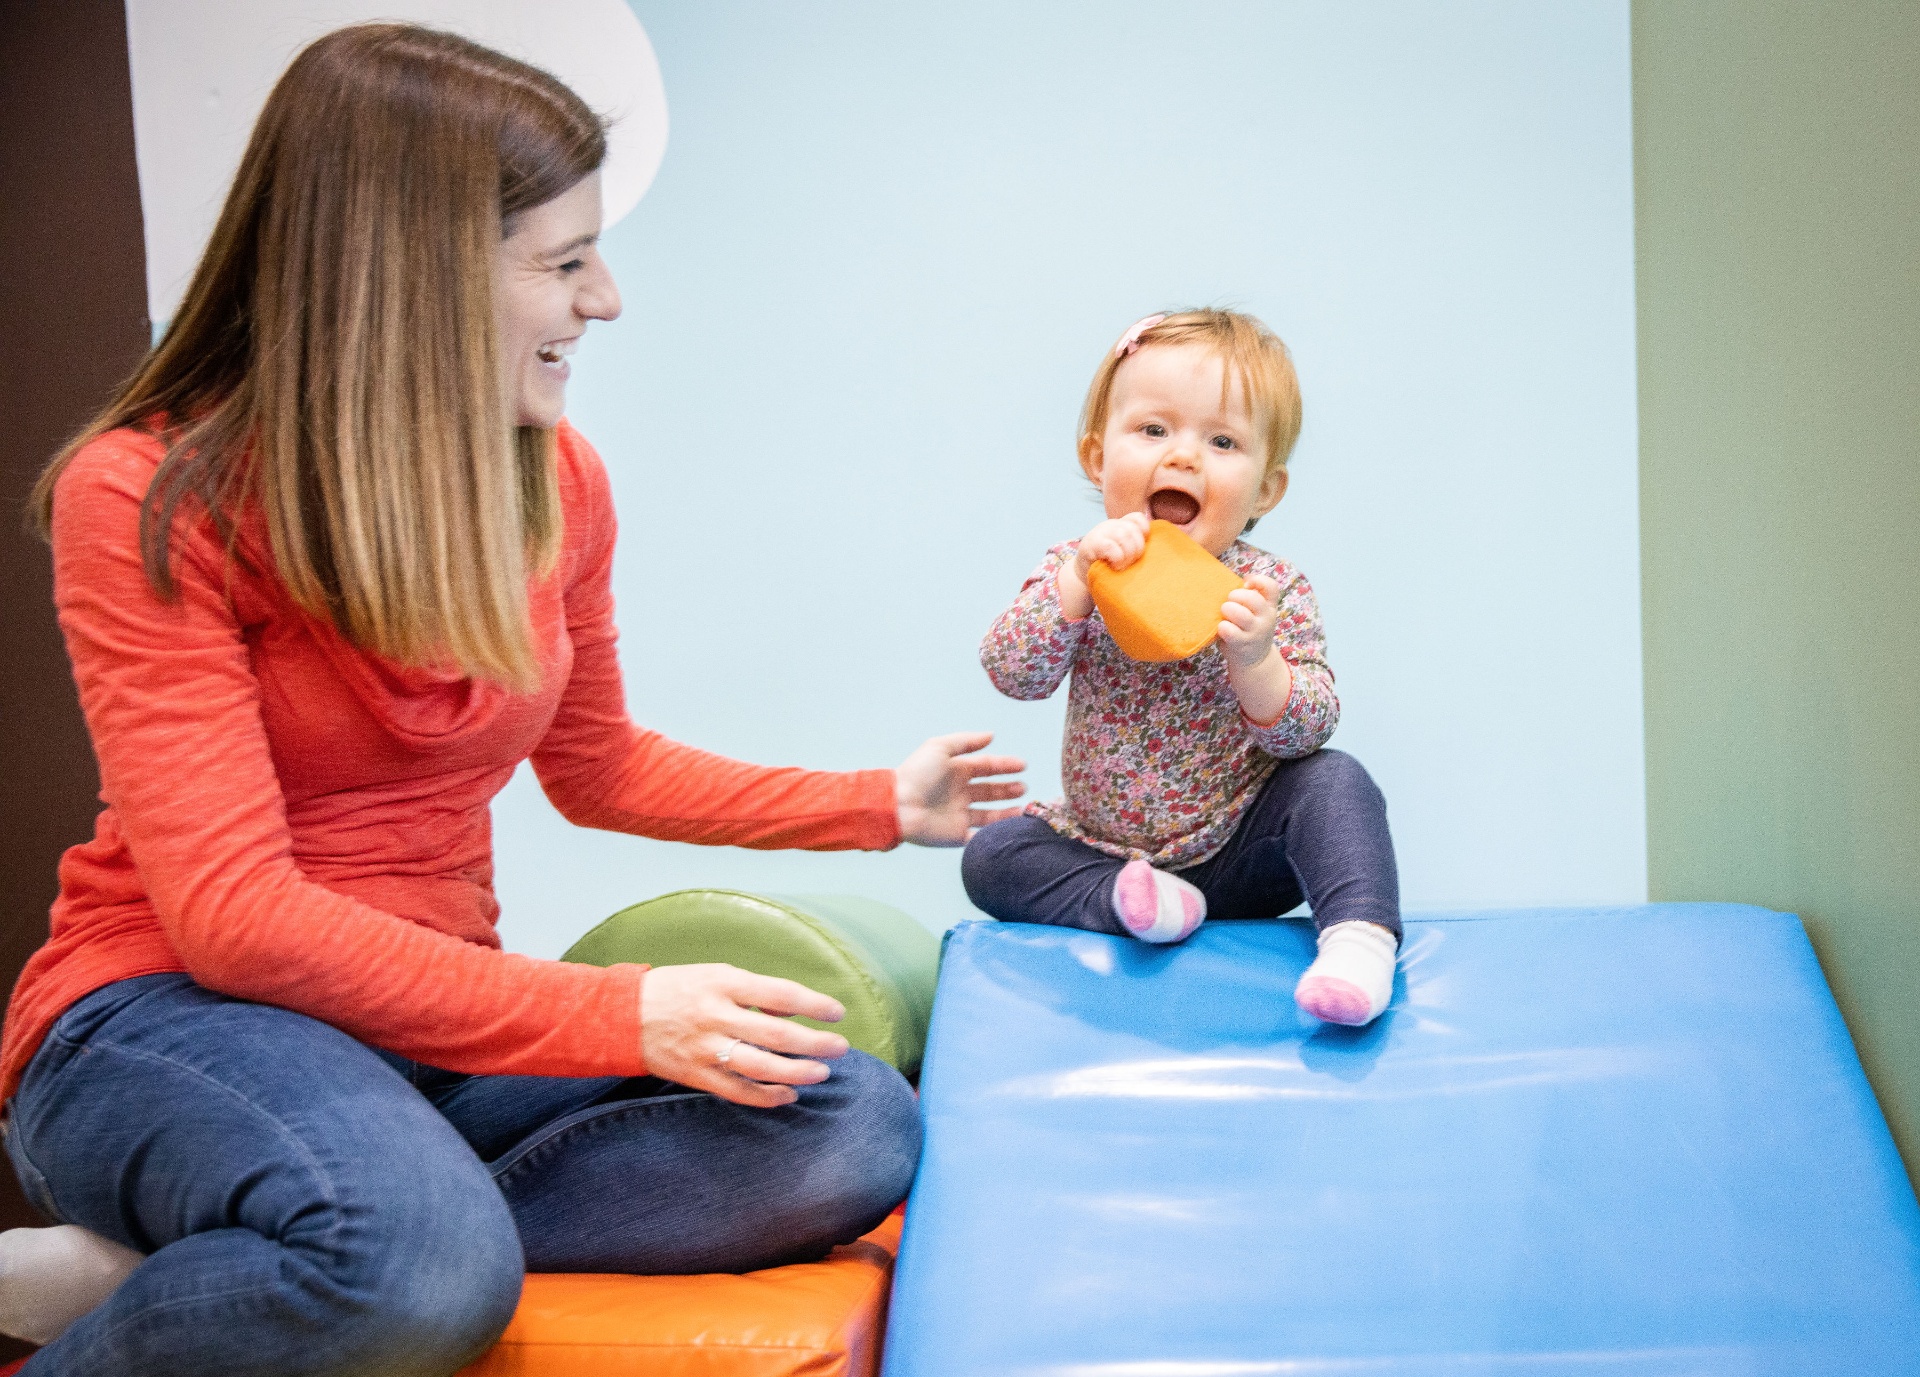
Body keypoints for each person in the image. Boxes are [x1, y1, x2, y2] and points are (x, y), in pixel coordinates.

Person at [0, 24, 1024, 1376]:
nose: (605, 299)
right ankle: (346, 1247)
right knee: (422, 1271)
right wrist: (619, 1011)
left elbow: (594, 765)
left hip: (424, 1032)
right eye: (562, 261)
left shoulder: (559, 480)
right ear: (410, 282)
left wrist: (877, 804)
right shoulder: (143, 493)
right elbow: (233, 918)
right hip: (163, 1014)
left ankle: (264, 1261)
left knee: (843, 1124)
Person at [960, 309, 1400, 1025]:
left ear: (1265, 491)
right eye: (1154, 430)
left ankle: (1358, 941)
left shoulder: (1270, 589)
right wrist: (1076, 583)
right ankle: (1130, 903)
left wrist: (1255, 658)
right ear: (1098, 458)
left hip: (1237, 853)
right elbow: (1012, 671)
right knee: (993, 853)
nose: (1185, 456)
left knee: (1335, 779)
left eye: (1222, 440)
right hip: (1102, 848)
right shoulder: (1079, 564)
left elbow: (1304, 730)